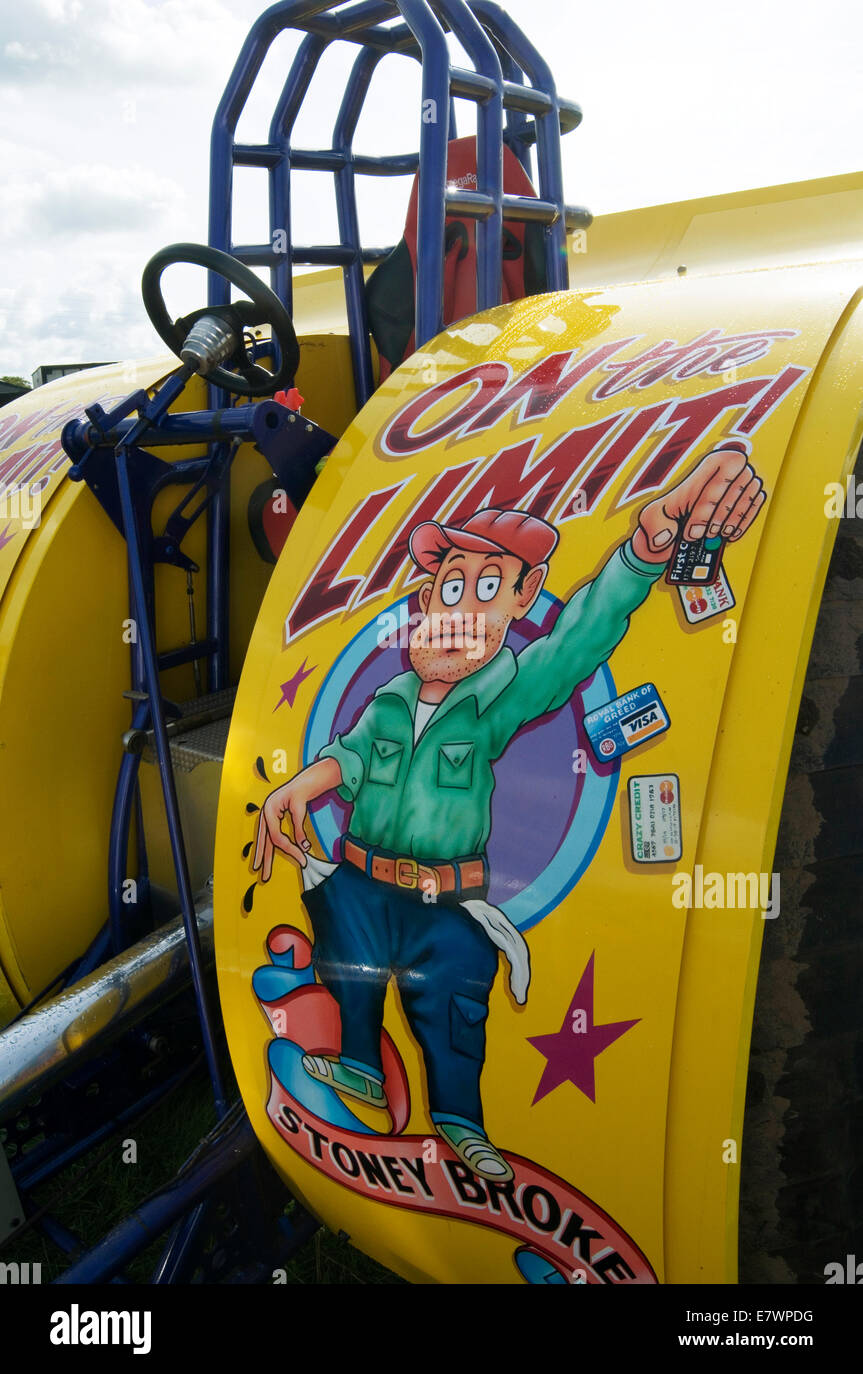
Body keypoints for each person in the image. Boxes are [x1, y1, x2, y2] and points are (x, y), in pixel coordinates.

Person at [253, 447, 765, 1180]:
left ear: (520, 601)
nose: (461, 603)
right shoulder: (391, 698)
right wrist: (298, 787)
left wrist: (646, 549)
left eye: (487, 586)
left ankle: (461, 1122)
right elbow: (353, 754)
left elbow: (576, 642)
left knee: (454, 1003)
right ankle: (358, 1065)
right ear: (427, 598)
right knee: (348, 972)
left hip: (445, 897)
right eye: (450, 584)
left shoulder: (497, 696)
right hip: (360, 880)